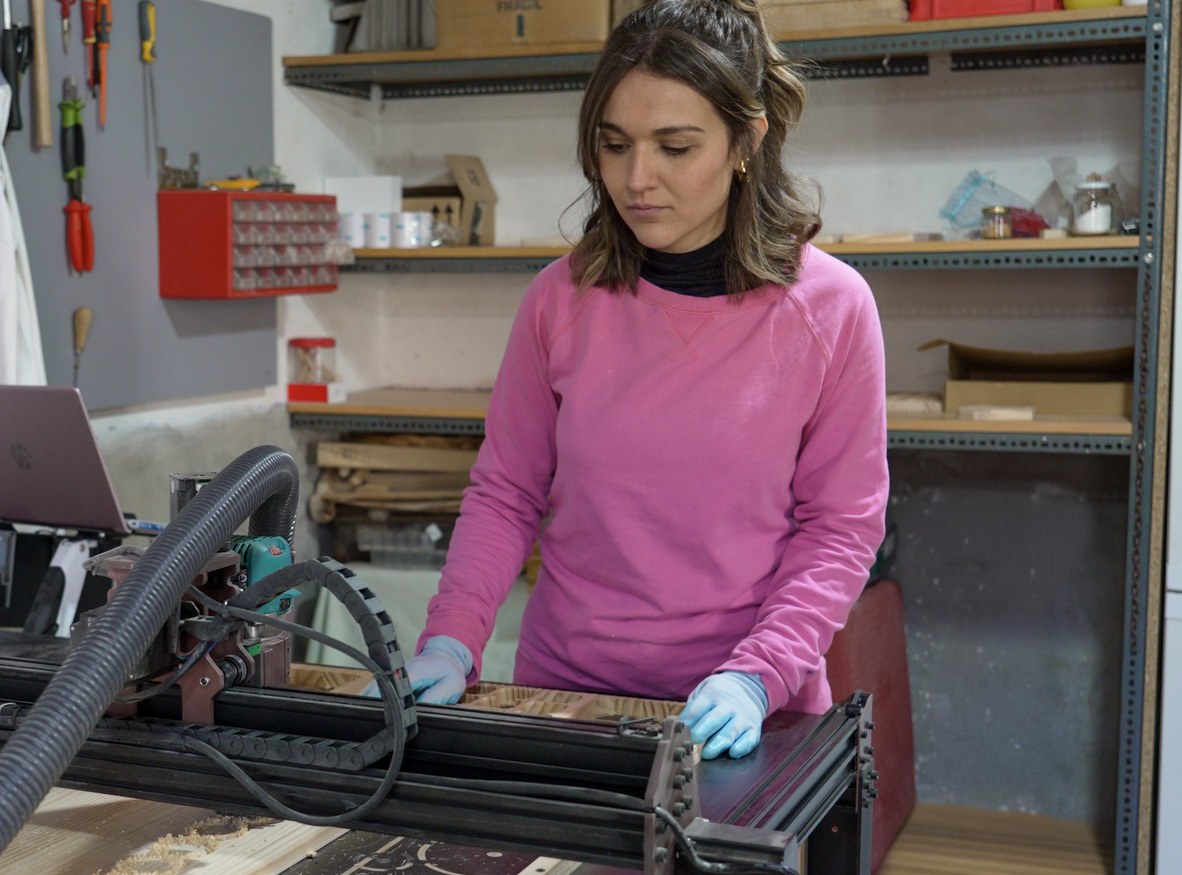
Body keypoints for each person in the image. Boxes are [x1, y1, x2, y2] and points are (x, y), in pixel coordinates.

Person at [380, 0, 888, 761]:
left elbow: (840, 529)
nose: (637, 179)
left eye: (675, 147)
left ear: (747, 141)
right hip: (567, 699)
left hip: (749, 712)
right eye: (614, 146)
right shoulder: (561, 298)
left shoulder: (831, 309)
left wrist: (758, 674)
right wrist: (451, 640)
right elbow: (507, 493)